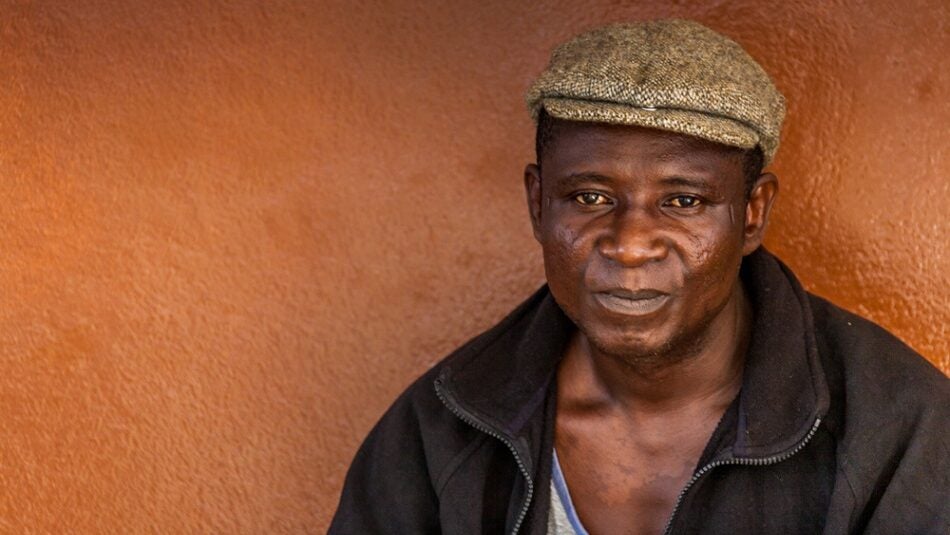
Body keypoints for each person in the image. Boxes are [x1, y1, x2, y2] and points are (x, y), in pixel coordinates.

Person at [329, 19, 949, 534]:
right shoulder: (445, 428)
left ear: (753, 214)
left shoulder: (899, 431)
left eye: (683, 202)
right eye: (591, 197)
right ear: (538, 203)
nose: (629, 246)